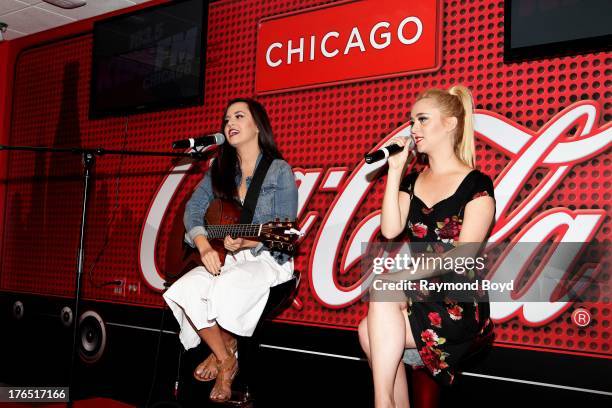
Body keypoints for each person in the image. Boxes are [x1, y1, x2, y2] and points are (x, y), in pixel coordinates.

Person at [358, 85, 496, 408]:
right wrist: (395, 171)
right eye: (412, 122)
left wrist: (400, 277)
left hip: (458, 300)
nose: (413, 129)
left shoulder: (477, 184)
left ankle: (381, 403)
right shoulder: (412, 180)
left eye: (422, 120)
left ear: (449, 123)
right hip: (420, 293)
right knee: (367, 332)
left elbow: (464, 254)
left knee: (381, 295)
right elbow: (390, 228)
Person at [163, 98, 298, 402]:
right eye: (226, 120)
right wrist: (203, 244)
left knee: (225, 285)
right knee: (184, 289)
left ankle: (224, 357)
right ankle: (226, 358)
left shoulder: (278, 171)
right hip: (231, 260)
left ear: (257, 126)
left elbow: (286, 232)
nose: (230, 124)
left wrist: (247, 241)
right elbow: (193, 209)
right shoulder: (220, 169)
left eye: (238, 116)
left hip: (269, 259)